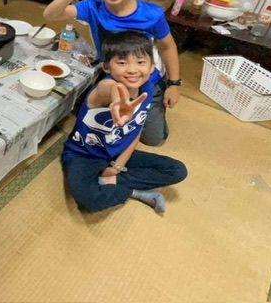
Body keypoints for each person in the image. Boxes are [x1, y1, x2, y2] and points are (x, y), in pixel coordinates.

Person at [43, 0, 181, 146]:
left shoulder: (151, 14)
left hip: (144, 76)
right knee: (89, 119)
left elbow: (168, 47)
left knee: (154, 140)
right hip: (113, 73)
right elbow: (50, 15)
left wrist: (174, 84)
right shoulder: (93, 5)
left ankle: (153, 102)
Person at [62, 31, 187, 215]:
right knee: (88, 201)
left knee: (177, 170)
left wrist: (117, 167)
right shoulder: (104, 89)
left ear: (152, 67)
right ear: (106, 67)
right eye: (122, 63)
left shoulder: (147, 88)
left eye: (140, 62)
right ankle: (132, 192)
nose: (132, 70)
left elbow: (135, 130)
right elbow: (111, 89)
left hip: (117, 153)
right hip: (84, 154)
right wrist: (118, 99)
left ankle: (109, 183)